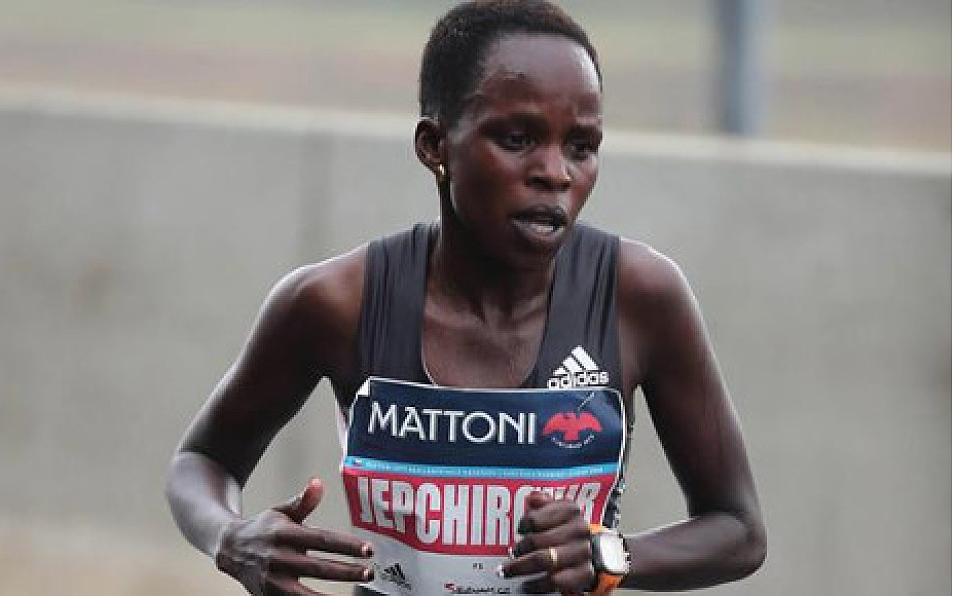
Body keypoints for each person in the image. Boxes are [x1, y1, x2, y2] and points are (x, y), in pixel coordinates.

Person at [165, 1, 766, 594]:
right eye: (517, 139)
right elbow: (202, 460)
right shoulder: (335, 303)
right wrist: (231, 537)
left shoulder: (639, 297)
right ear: (435, 146)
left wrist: (610, 553)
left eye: (581, 147)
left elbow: (738, 530)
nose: (555, 172)